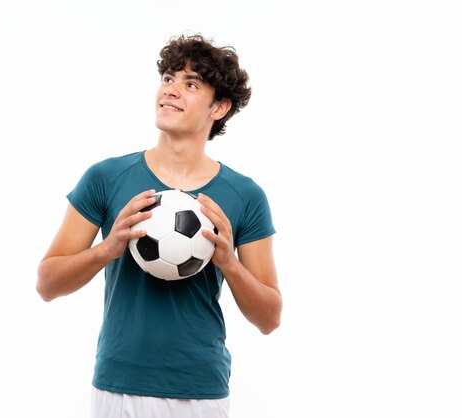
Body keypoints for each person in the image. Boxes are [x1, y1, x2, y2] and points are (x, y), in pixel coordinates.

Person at [36, 33, 282, 418]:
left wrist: (229, 264)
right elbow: (47, 284)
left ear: (219, 107)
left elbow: (269, 318)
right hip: (119, 386)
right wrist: (107, 248)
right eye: (167, 78)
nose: (170, 91)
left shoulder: (245, 195)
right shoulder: (106, 177)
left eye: (191, 84)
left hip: (200, 391)